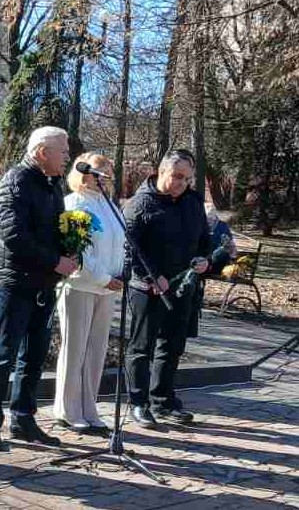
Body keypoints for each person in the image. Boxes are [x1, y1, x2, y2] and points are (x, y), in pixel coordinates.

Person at [0, 126, 78, 451]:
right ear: (41, 152)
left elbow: (52, 228)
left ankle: (23, 418)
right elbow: (14, 235)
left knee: (34, 356)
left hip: (43, 284)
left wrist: (69, 249)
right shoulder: (15, 181)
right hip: (15, 283)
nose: (67, 157)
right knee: (4, 354)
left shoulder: (52, 184)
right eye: (62, 151)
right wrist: (54, 261)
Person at [124, 149, 210, 428]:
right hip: (147, 288)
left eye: (186, 179)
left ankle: (163, 399)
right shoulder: (140, 204)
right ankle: (138, 403)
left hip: (182, 286)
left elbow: (203, 238)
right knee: (142, 348)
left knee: (172, 346)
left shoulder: (193, 202)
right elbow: (130, 249)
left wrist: (203, 259)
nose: (181, 183)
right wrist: (152, 277)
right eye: (176, 177)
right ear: (160, 172)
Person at [53, 153, 124, 434]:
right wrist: (104, 278)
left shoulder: (110, 206)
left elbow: (120, 244)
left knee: (96, 351)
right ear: (83, 172)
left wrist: (119, 274)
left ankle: (89, 406)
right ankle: (68, 410)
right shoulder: (73, 203)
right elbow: (78, 252)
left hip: (108, 290)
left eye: (108, 170)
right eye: (98, 170)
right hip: (80, 286)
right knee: (75, 349)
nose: (103, 175)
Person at [206, 204, 238, 274]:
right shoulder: (200, 224)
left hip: (217, 259)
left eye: (211, 217)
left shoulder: (222, 226)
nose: (208, 220)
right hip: (203, 258)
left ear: (215, 216)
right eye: (207, 218)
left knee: (222, 250)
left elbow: (230, 243)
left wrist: (233, 256)